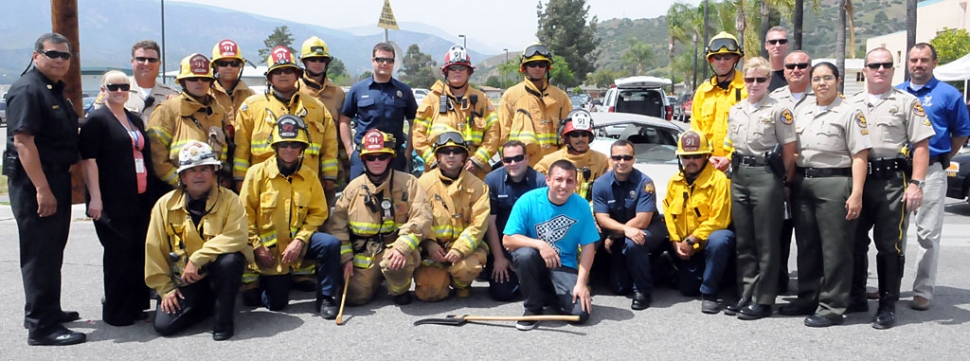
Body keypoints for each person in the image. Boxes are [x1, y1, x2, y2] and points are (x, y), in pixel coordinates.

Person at [5, 32, 85, 346]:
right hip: (36, 182)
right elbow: (23, 142)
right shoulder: (28, 89)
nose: (60, 60)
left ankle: (49, 310)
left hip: (55, 178)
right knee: (39, 255)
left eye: (65, 56)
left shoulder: (51, 89)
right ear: (36, 55)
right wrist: (42, 189)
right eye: (53, 54)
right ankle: (41, 327)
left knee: (52, 251)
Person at [847, 47, 935, 329]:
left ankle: (887, 304)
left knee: (889, 244)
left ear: (893, 69)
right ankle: (857, 295)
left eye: (886, 64)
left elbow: (921, 145)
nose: (880, 69)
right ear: (865, 70)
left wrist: (917, 185)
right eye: (874, 65)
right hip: (859, 181)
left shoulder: (907, 102)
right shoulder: (851, 103)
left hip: (891, 182)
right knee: (855, 240)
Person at [779, 62, 871, 328]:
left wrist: (856, 194)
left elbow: (860, 156)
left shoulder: (850, 112)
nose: (821, 83)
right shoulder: (804, 111)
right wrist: (788, 182)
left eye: (827, 78)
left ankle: (832, 306)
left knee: (835, 249)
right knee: (807, 246)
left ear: (838, 81)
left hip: (835, 182)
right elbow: (795, 152)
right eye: (817, 78)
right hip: (804, 183)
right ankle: (808, 297)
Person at [80, 70, 165, 326]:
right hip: (111, 200)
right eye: (113, 86)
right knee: (118, 255)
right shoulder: (97, 120)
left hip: (138, 198)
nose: (119, 91)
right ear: (103, 89)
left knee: (138, 251)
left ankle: (137, 305)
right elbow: (89, 161)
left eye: (124, 87)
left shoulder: (134, 119)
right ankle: (117, 311)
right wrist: (95, 199)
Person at [144, 141, 252, 341]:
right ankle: (207, 302)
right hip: (185, 280)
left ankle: (223, 320)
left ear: (214, 173)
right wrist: (165, 289)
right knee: (164, 327)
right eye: (192, 170)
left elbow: (237, 236)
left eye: (204, 169)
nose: (199, 175)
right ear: (183, 177)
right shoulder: (164, 205)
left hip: (217, 273)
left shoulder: (230, 200)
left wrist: (197, 259)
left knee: (232, 260)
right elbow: (154, 250)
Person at [239, 116, 343, 318]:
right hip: (267, 251)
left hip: (298, 244)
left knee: (330, 244)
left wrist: (300, 240)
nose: (289, 149)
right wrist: (258, 246)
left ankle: (327, 298)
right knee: (277, 305)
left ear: (302, 148)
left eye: (295, 144)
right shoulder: (256, 174)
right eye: (284, 144)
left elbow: (318, 212)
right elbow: (244, 216)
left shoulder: (310, 176)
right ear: (275, 146)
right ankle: (259, 284)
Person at [897, 43, 970, 311]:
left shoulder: (949, 95)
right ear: (908, 63)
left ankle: (923, 290)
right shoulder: (897, 93)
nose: (918, 64)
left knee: (928, 234)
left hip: (932, 172)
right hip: (899, 172)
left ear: (934, 63)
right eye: (914, 60)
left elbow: (961, 132)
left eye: (924, 60)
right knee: (894, 232)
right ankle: (891, 287)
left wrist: (940, 159)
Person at [723, 57, 796, 320]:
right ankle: (747, 292)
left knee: (766, 241)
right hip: (740, 174)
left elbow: (789, 150)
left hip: (766, 175)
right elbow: (732, 143)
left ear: (768, 82)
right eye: (750, 79)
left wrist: (783, 180)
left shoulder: (779, 109)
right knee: (745, 240)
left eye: (760, 80)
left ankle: (764, 299)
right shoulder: (736, 109)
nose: (754, 84)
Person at [326, 129, 432, 306]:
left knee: (396, 265)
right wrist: (346, 259)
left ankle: (399, 289)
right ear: (363, 159)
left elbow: (422, 218)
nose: (376, 162)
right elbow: (338, 227)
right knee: (354, 296)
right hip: (365, 252)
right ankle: (374, 280)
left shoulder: (409, 183)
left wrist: (402, 247)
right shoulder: (353, 189)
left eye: (382, 157)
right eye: (371, 157)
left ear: (390, 157)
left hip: (395, 249)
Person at [504, 160, 598, 331]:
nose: (564, 185)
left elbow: (588, 246)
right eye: (559, 179)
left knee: (579, 315)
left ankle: (548, 294)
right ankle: (533, 309)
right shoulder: (528, 200)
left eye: (569, 181)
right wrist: (540, 244)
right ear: (548, 180)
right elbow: (508, 239)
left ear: (576, 184)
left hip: (564, 265)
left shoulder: (582, 205)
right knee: (524, 254)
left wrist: (581, 283)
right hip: (535, 262)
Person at [233, 46, 337, 193]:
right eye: (277, 71)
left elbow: (329, 145)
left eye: (288, 70)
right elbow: (241, 147)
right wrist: (240, 178)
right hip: (265, 187)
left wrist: (330, 177)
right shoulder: (251, 107)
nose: (283, 75)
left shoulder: (317, 108)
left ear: (297, 74)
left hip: (307, 186)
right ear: (269, 77)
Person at [662, 130, 735, 314]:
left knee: (721, 238)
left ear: (706, 156)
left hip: (707, 245)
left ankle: (710, 294)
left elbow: (720, 219)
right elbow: (668, 213)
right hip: (686, 247)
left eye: (696, 156)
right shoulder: (675, 181)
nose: (691, 161)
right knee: (687, 289)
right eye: (686, 156)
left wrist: (691, 240)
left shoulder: (720, 181)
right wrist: (675, 241)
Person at [591, 140, 668, 310]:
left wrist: (616, 234)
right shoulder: (600, 184)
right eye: (617, 157)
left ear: (634, 159)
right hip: (621, 232)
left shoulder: (645, 182)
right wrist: (623, 230)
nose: (622, 162)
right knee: (620, 288)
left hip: (649, 228)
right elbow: (602, 219)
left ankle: (643, 291)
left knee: (635, 241)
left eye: (627, 157)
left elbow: (643, 220)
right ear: (610, 159)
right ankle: (660, 264)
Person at [414, 129, 490, 301]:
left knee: (466, 268)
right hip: (432, 250)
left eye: (457, 151)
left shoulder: (478, 187)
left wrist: (459, 249)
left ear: (464, 157)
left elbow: (478, 225)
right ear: (437, 156)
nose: (451, 155)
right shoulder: (422, 184)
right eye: (445, 152)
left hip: (465, 250)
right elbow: (417, 219)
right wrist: (430, 245)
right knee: (429, 293)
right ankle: (440, 278)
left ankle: (461, 284)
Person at [412, 45, 500, 179]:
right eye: (453, 68)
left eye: (462, 68)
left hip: (475, 175)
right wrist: (435, 163)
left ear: (469, 72)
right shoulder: (431, 100)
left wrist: (477, 161)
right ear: (446, 72)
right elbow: (418, 137)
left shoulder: (482, 100)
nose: (457, 71)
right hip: (437, 176)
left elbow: (493, 136)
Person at [768, 50, 815, 295]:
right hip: (779, 175)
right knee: (779, 233)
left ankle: (809, 289)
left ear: (810, 68)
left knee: (808, 236)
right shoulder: (774, 98)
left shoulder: (823, 96)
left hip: (809, 174)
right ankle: (778, 282)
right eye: (791, 66)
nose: (796, 70)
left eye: (801, 65)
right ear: (783, 71)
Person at [146, 53, 228, 188]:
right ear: (183, 82)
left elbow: (224, 149)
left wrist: (222, 177)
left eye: (204, 78)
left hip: (213, 189)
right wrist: (181, 182)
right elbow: (156, 158)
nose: (199, 82)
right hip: (176, 190)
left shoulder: (218, 111)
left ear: (211, 82)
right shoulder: (167, 110)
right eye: (193, 78)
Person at [340, 42, 419, 180]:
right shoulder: (358, 89)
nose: (384, 63)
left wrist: (407, 154)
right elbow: (344, 120)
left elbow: (415, 123)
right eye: (380, 59)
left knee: (397, 199)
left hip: (394, 156)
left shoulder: (404, 91)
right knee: (359, 198)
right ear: (372, 61)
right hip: (364, 156)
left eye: (389, 60)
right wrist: (350, 151)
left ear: (394, 63)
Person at [483, 140, 546, 301]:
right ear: (502, 161)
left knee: (546, 295)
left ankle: (526, 279)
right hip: (503, 246)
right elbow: (490, 224)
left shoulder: (540, 182)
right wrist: (498, 258)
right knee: (501, 294)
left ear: (526, 158)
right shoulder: (492, 180)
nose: (513, 163)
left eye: (518, 158)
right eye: (507, 160)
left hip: (531, 246)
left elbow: (545, 223)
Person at [498, 43, 573, 166]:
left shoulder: (560, 97)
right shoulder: (511, 96)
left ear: (547, 67)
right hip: (523, 169)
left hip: (554, 168)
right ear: (524, 67)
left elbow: (569, 135)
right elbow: (503, 137)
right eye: (532, 64)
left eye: (541, 64)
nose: (537, 68)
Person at [298, 36, 347, 206]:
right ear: (304, 62)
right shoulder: (295, 91)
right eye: (312, 60)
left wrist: (343, 169)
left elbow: (341, 134)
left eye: (321, 60)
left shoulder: (338, 94)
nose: (317, 63)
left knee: (328, 214)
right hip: (300, 166)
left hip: (331, 170)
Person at [690, 32, 748, 171]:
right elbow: (696, 129)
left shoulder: (748, 88)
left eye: (727, 57)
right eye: (717, 57)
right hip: (707, 166)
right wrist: (706, 157)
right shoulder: (703, 91)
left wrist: (729, 158)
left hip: (740, 167)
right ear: (711, 60)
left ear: (735, 58)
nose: (722, 61)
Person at [534, 109, 609, 200]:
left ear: (590, 137)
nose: (580, 139)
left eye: (584, 134)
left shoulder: (602, 160)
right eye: (575, 134)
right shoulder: (548, 162)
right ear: (567, 138)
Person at [94, 40, 178, 120]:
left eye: (151, 60)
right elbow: (97, 119)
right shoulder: (113, 90)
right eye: (141, 59)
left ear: (159, 63)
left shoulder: (173, 95)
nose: (146, 63)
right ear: (132, 61)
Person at [209, 39, 255, 128]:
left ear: (240, 67)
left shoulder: (250, 96)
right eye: (223, 63)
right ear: (216, 67)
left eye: (234, 63)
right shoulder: (206, 94)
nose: (229, 67)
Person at [764, 26, 790, 92]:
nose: (777, 45)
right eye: (773, 42)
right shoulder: (759, 75)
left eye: (782, 41)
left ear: (788, 45)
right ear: (766, 46)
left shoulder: (794, 73)